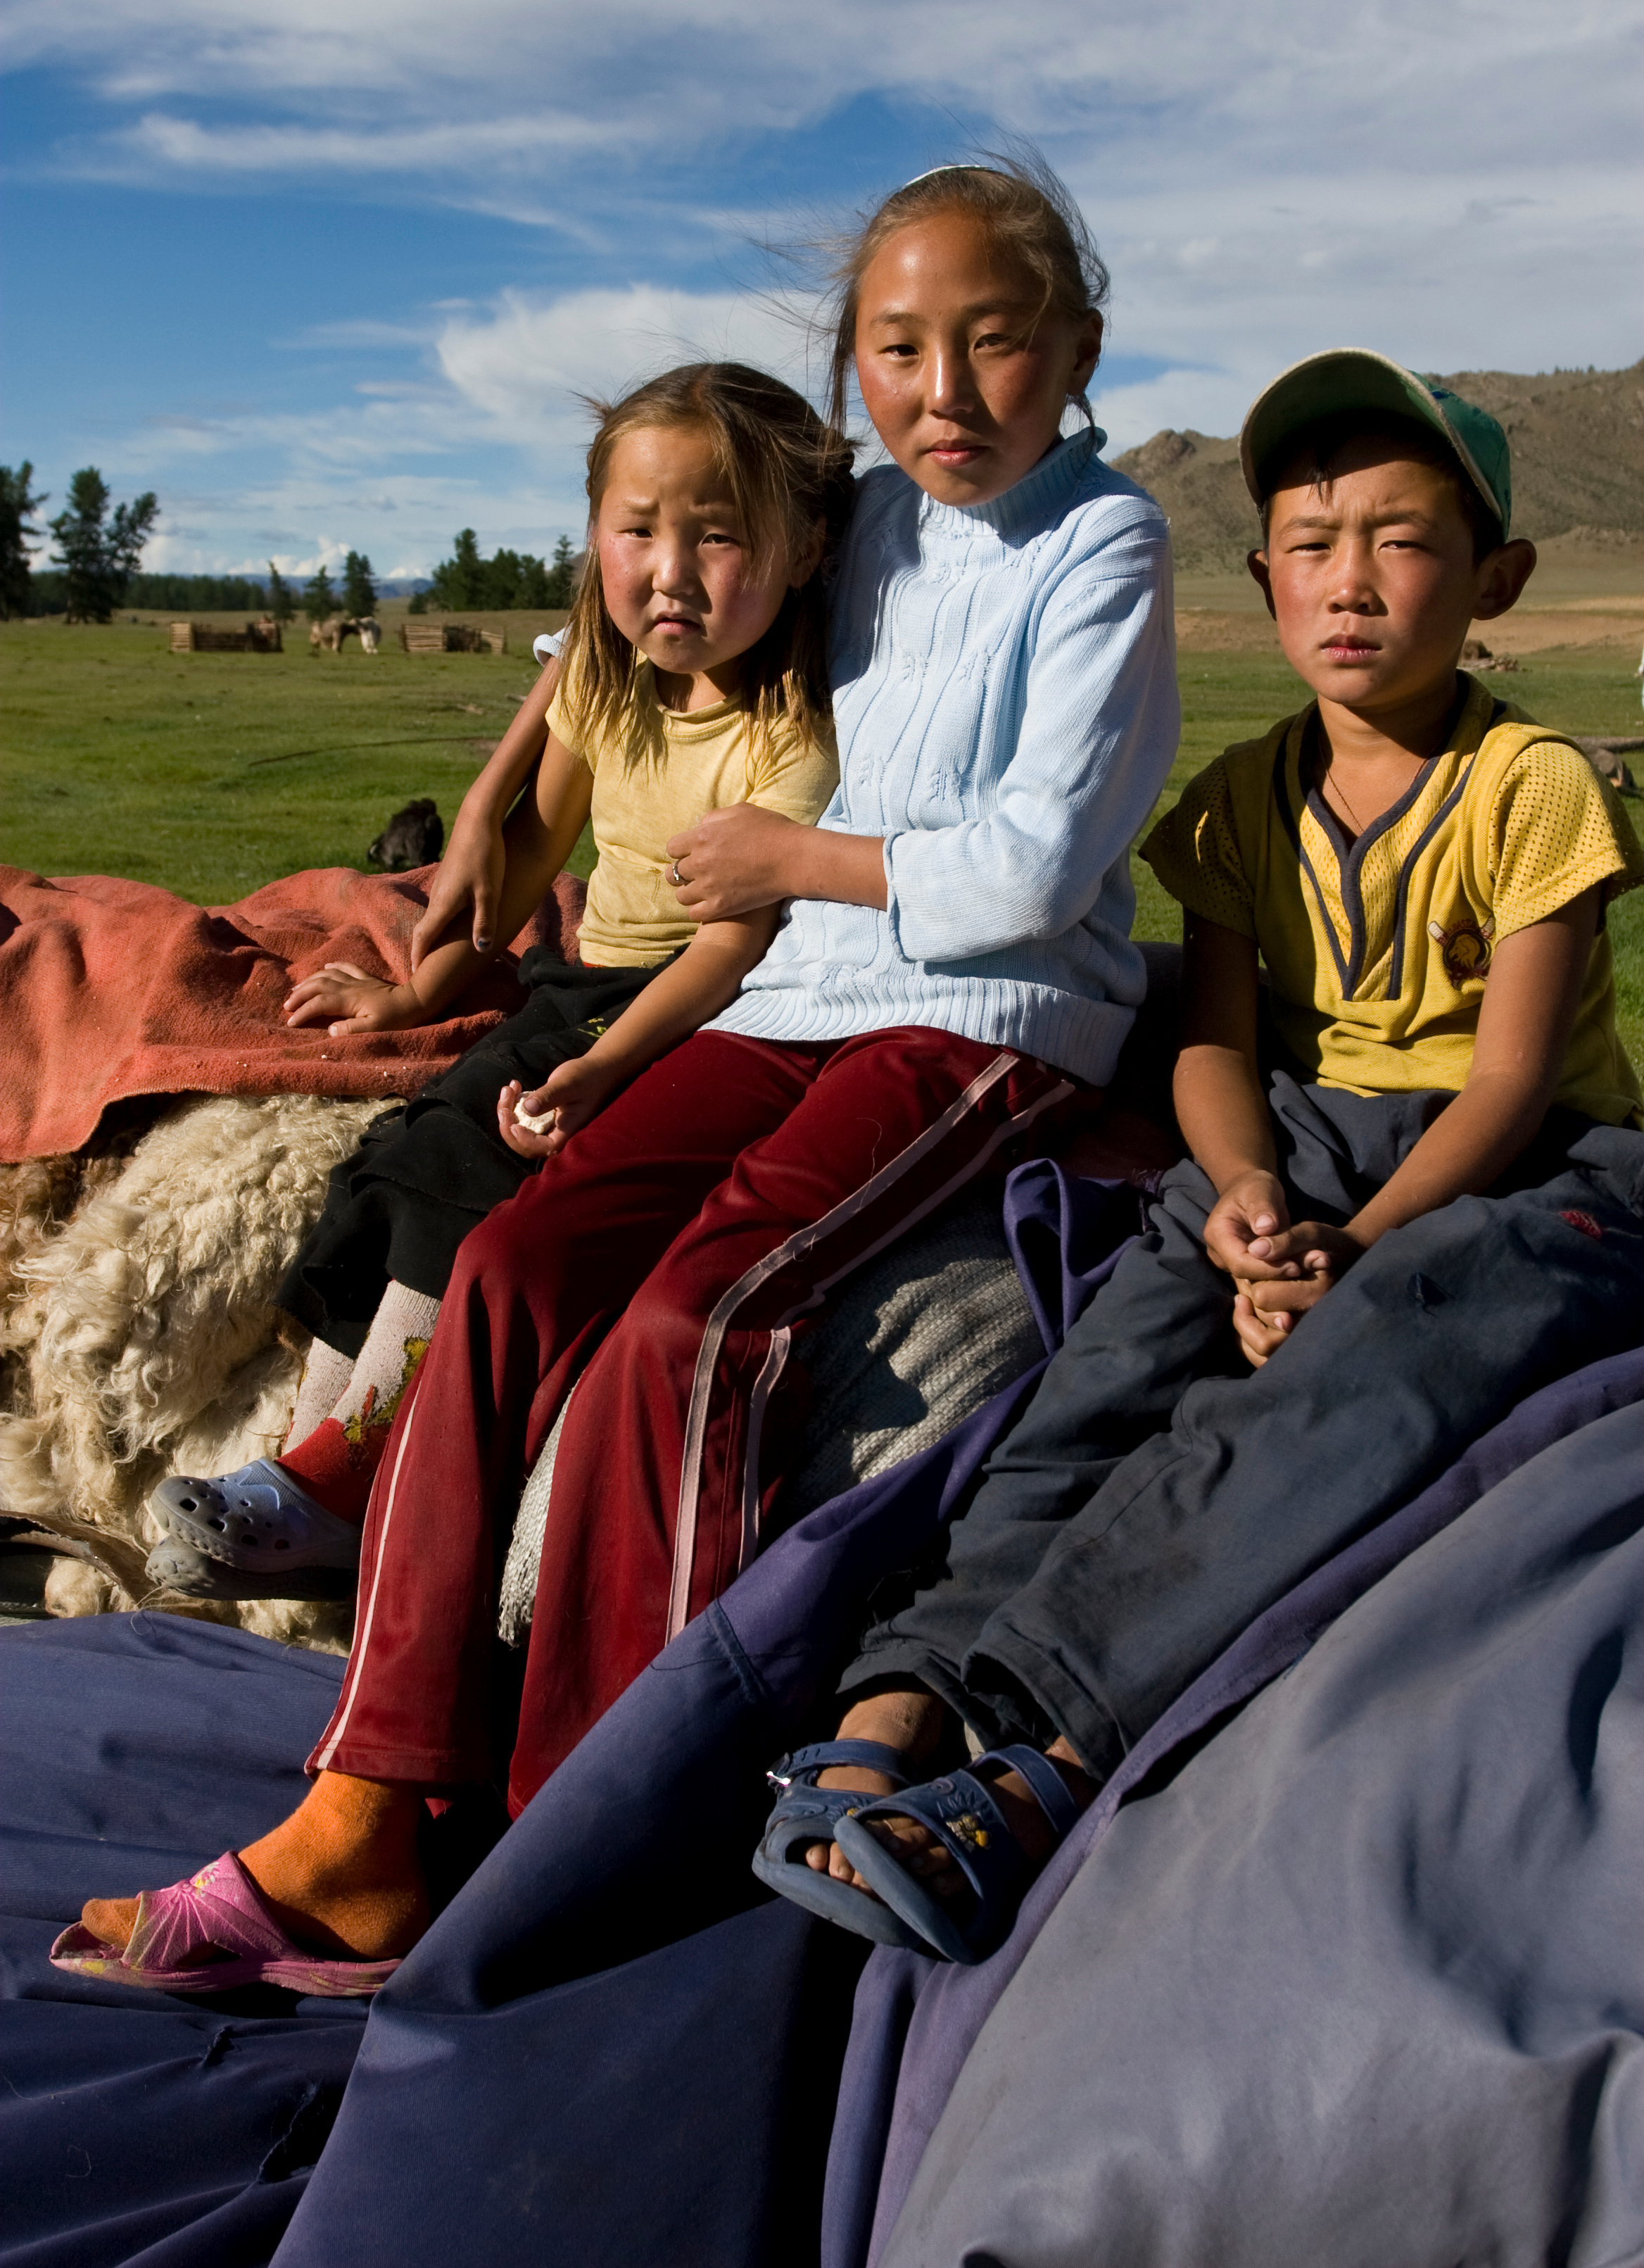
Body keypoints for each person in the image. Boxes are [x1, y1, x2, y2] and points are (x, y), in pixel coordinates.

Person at [59, 154, 1180, 1993]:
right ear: (852, 371)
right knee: (506, 1273)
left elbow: (1043, 867)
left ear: (1080, 351)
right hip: (787, 995)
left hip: (983, 1016)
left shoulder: (1107, 546)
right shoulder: (866, 527)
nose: (947, 389)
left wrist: (790, 863)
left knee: (698, 1327)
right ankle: (369, 1811)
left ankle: (590, 1827)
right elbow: (657, 625)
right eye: (899, 347)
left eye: (996, 343)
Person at [753, 349, 1644, 1965]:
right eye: (1310, 544)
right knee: (1101, 1374)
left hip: (1525, 1168)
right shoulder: (1241, 803)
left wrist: (1352, 1249)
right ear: (1263, 579)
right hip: (1294, 1140)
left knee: (1362, 1378)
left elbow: (1510, 1077)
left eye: (1401, 540)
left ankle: (1047, 1761)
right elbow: (1218, 1046)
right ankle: (894, 1710)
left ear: (1495, 576)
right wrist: (1241, 1200)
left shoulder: (1533, 785)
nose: (1350, 582)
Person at [146, 362, 846, 1599]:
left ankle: (348, 1489)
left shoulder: (789, 729)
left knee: (473, 1183)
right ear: (595, 540)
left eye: (718, 534)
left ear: (803, 552)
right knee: (397, 1157)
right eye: (637, 531)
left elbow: (737, 945)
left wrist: (606, 1064)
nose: (669, 569)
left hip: (697, 1011)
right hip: (583, 984)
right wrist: (421, 998)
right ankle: (311, 1471)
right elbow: (530, 852)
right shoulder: (612, 680)